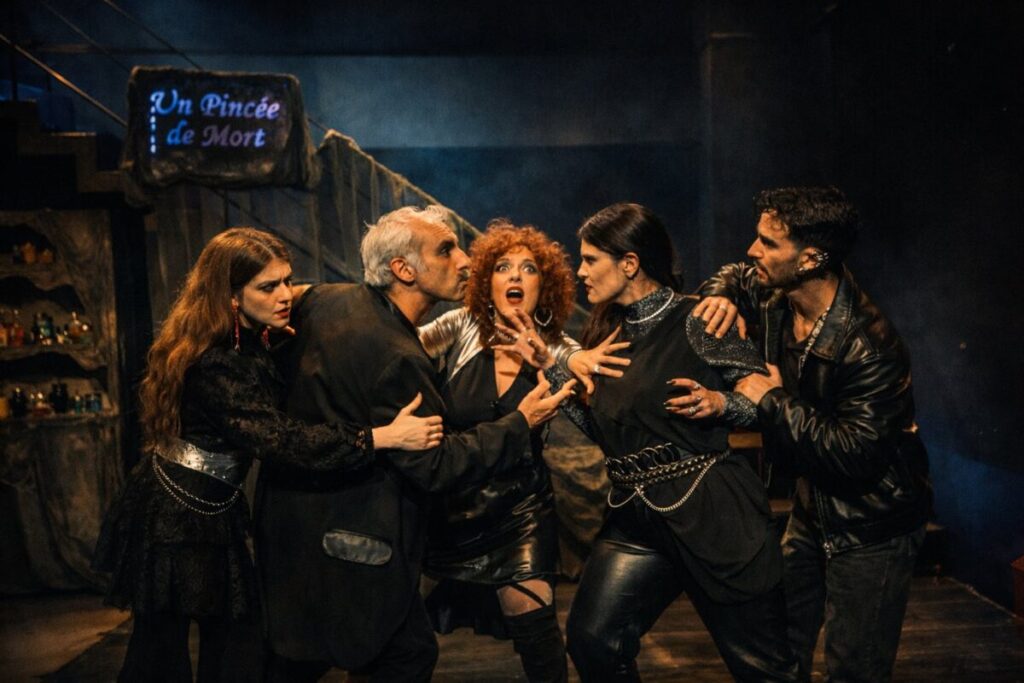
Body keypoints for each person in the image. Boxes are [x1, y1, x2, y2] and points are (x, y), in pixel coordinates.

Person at [93, 227, 442, 682]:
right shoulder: (216, 361)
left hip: (212, 507)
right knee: (161, 655)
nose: (284, 295)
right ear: (231, 296)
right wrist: (380, 437)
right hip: (174, 516)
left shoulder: (250, 338)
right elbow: (279, 440)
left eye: (287, 281)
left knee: (233, 650)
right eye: (268, 286)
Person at [254, 205, 576, 682]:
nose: (465, 261)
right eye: (446, 250)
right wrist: (520, 421)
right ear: (403, 270)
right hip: (371, 520)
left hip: (506, 510)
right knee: (389, 653)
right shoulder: (408, 352)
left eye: (527, 268)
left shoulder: (324, 299)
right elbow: (436, 465)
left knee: (374, 650)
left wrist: (557, 362)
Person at [553, 202, 798, 681]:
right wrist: (559, 375)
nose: (580, 272)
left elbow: (764, 403)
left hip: (710, 510)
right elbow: (609, 435)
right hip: (636, 514)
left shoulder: (698, 320)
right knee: (593, 641)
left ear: (629, 263)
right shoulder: (607, 333)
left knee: (763, 667)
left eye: (589, 260)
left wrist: (720, 403)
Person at [694, 186, 931, 682]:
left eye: (768, 243)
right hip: (813, 508)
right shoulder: (777, 294)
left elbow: (855, 453)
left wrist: (772, 400)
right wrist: (719, 293)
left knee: (854, 668)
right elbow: (736, 274)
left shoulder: (870, 346)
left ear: (811, 258)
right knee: (778, 650)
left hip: (870, 525)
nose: (752, 251)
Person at [418, 220, 622, 683]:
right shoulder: (461, 325)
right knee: (401, 627)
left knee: (536, 632)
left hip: (520, 509)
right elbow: (397, 345)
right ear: (485, 282)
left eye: (528, 269)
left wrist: (560, 362)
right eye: (503, 267)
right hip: (450, 501)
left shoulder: (556, 346)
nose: (515, 276)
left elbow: (578, 373)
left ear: (542, 287)